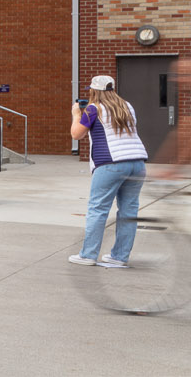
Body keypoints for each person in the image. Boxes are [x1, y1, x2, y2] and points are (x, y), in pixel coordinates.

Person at [70, 74, 147, 268]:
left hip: (110, 163)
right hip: (137, 163)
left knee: (98, 209)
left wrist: (76, 115)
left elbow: (76, 134)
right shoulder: (127, 107)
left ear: (94, 91)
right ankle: (119, 257)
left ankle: (88, 255)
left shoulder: (93, 109)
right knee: (129, 211)